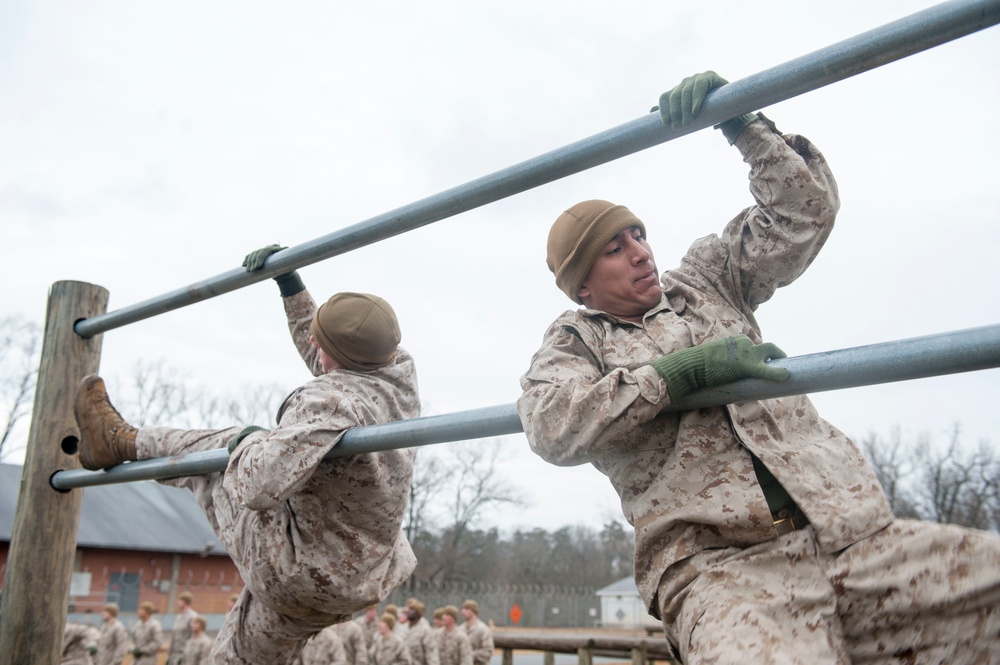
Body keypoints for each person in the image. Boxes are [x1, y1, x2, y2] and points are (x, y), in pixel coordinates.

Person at [517, 71, 1000, 664]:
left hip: (851, 532)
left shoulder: (706, 280)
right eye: (614, 249)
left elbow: (803, 215)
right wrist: (679, 374)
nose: (641, 251)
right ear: (583, 287)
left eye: (637, 234)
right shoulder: (575, 340)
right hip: (725, 571)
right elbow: (550, 425)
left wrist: (743, 124)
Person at [74, 247, 421, 664]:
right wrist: (290, 285)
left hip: (297, 572)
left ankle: (121, 441)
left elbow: (258, 485)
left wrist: (250, 443)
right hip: (358, 578)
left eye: (319, 338)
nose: (311, 340)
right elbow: (330, 359)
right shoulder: (396, 374)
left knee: (222, 453)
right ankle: (126, 442)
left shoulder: (327, 402)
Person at [403, 599, 439, 665]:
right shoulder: (403, 628)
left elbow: (431, 653)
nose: (408, 612)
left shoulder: (425, 629)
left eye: (412, 610)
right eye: (409, 609)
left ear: (417, 613)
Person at [167, 591, 197, 665]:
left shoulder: (192, 616)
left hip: (185, 654)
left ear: (185, 602)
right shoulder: (179, 616)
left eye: (180, 600)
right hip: (175, 654)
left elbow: (194, 636)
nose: (177, 602)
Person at [458, 601, 492, 665]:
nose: (463, 611)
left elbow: (487, 651)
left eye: (466, 609)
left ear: (474, 611)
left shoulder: (483, 629)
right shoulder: (460, 629)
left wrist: (468, 655)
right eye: (462, 609)